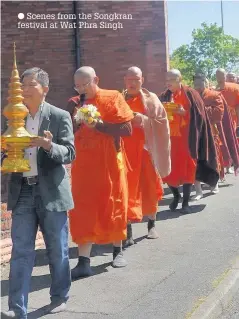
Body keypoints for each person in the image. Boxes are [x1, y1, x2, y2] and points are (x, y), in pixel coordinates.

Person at [2, 68, 75, 318]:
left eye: (31, 84)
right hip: (21, 190)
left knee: (57, 247)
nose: (24, 89)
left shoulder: (59, 115)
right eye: (22, 85)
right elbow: (4, 151)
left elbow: (70, 152)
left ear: (45, 88)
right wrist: (6, 151)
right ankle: (16, 308)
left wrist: (48, 145)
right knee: (21, 250)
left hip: (51, 192)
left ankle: (59, 296)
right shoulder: (11, 117)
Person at [67, 66, 134, 280]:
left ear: (96, 79)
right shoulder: (75, 103)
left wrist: (99, 125)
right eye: (77, 85)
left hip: (109, 163)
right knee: (82, 208)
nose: (81, 89)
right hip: (84, 165)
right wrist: (77, 124)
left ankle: (117, 251)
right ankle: (83, 261)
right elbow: (66, 134)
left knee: (113, 203)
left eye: (84, 84)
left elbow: (127, 129)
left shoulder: (113, 97)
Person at [122, 66, 171, 246]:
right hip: (124, 153)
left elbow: (161, 122)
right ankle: (127, 231)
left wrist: (142, 120)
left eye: (136, 79)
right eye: (130, 79)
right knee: (126, 190)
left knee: (149, 187)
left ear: (142, 80)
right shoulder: (119, 99)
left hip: (145, 151)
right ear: (125, 80)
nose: (133, 83)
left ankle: (151, 224)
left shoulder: (151, 99)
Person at [159, 69, 219, 214]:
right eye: (167, 79)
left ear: (179, 79)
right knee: (168, 172)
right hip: (170, 142)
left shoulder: (191, 94)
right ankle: (176, 196)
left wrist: (184, 113)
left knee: (188, 171)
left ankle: (185, 203)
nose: (168, 82)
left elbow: (200, 116)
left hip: (187, 141)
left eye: (171, 80)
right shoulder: (164, 96)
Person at [193, 73, 225, 199]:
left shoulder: (214, 95)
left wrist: (202, 110)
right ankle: (198, 189)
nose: (198, 86)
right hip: (195, 133)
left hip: (210, 132)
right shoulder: (191, 96)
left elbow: (219, 113)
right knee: (196, 160)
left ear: (205, 82)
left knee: (212, 158)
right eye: (196, 83)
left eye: (200, 83)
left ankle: (214, 184)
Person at [216, 68, 239, 172]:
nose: (219, 77)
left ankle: (230, 164)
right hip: (217, 122)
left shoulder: (235, 88)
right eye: (217, 75)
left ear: (225, 76)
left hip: (231, 120)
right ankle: (222, 165)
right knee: (219, 143)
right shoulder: (213, 89)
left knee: (230, 141)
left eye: (221, 75)